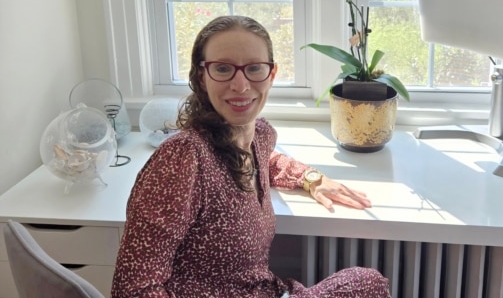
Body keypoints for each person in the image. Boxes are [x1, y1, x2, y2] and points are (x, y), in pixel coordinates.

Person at [111, 15, 391, 298]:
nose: (241, 85)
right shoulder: (182, 159)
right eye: (223, 69)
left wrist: (310, 178)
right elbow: (133, 290)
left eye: (254, 68)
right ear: (201, 77)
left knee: (368, 283)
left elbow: (266, 162)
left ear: (271, 74)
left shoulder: (258, 136)